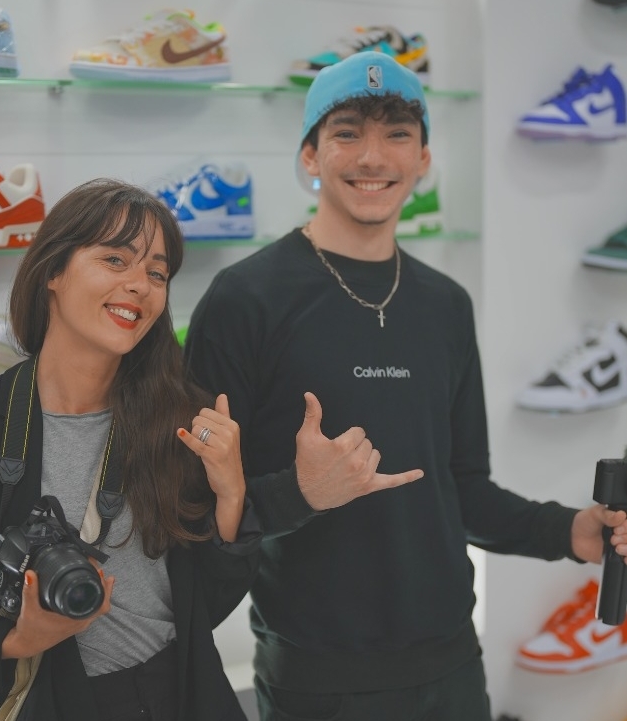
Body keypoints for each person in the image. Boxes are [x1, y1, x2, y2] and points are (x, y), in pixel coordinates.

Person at [183, 51, 627, 720]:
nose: (373, 156)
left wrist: (570, 531)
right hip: (315, 681)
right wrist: (300, 491)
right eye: (347, 133)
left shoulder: (445, 303)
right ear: (310, 155)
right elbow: (197, 502)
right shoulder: (244, 299)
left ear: (422, 159)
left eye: (397, 134)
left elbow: (462, 487)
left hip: (452, 670)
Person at [0, 179, 261, 721]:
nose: (140, 285)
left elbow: (200, 606)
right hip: (54, 702)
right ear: (53, 270)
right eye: (115, 259)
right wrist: (16, 640)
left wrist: (232, 496)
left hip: (186, 695)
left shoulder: (179, 417)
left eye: (157, 273)